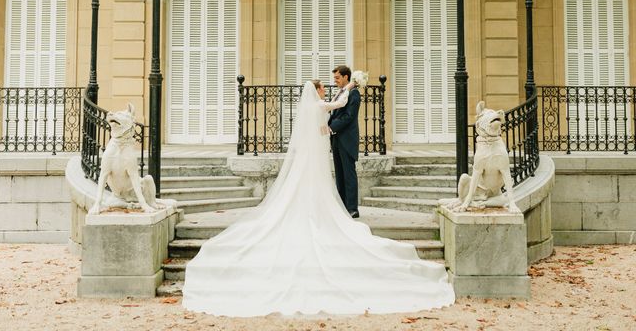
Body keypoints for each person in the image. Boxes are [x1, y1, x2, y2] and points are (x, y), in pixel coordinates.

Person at [182, 80, 454, 317]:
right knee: (319, 184)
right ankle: (319, 213)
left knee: (311, 185)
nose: (327, 89)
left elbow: (338, 106)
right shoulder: (319, 107)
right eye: (324, 87)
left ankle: (314, 210)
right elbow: (342, 103)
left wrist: (347, 88)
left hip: (313, 157)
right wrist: (350, 87)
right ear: (316, 91)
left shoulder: (312, 107)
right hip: (317, 158)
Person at [328, 65, 361, 218]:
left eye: (337, 78)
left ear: (346, 77)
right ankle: (342, 206)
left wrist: (331, 127)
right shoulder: (342, 93)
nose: (335, 81)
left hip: (347, 139)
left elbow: (349, 116)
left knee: (349, 174)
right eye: (335, 78)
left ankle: (352, 208)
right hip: (336, 138)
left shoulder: (354, 94)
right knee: (339, 174)